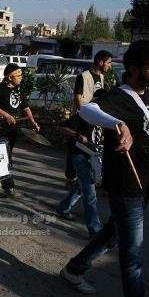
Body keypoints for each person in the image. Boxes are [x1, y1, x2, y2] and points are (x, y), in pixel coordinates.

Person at [59, 40, 149, 297]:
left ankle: (73, 269)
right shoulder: (118, 96)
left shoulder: (147, 93)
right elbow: (88, 110)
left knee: (112, 233)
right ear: (134, 70)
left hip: (143, 183)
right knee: (132, 256)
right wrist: (119, 125)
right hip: (126, 187)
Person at [56, 89, 106, 237]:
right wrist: (78, 135)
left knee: (80, 186)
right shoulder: (85, 113)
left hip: (93, 157)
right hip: (80, 156)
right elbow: (62, 126)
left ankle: (63, 208)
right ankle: (95, 229)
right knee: (90, 194)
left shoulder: (103, 116)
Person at [0, 63, 39, 197]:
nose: (21, 78)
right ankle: (9, 187)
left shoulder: (19, 89)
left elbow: (26, 108)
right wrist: (6, 115)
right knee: (5, 156)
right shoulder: (0, 89)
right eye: (19, 75)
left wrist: (32, 121)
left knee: (6, 154)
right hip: (0, 127)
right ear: (10, 77)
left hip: (13, 128)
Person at [65, 50, 113, 188]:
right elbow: (77, 97)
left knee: (91, 147)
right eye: (108, 63)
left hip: (95, 116)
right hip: (83, 116)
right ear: (101, 62)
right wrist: (84, 114)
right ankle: (70, 177)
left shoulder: (101, 78)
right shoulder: (83, 76)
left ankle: (89, 175)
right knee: (75, 146)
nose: (110, 66)